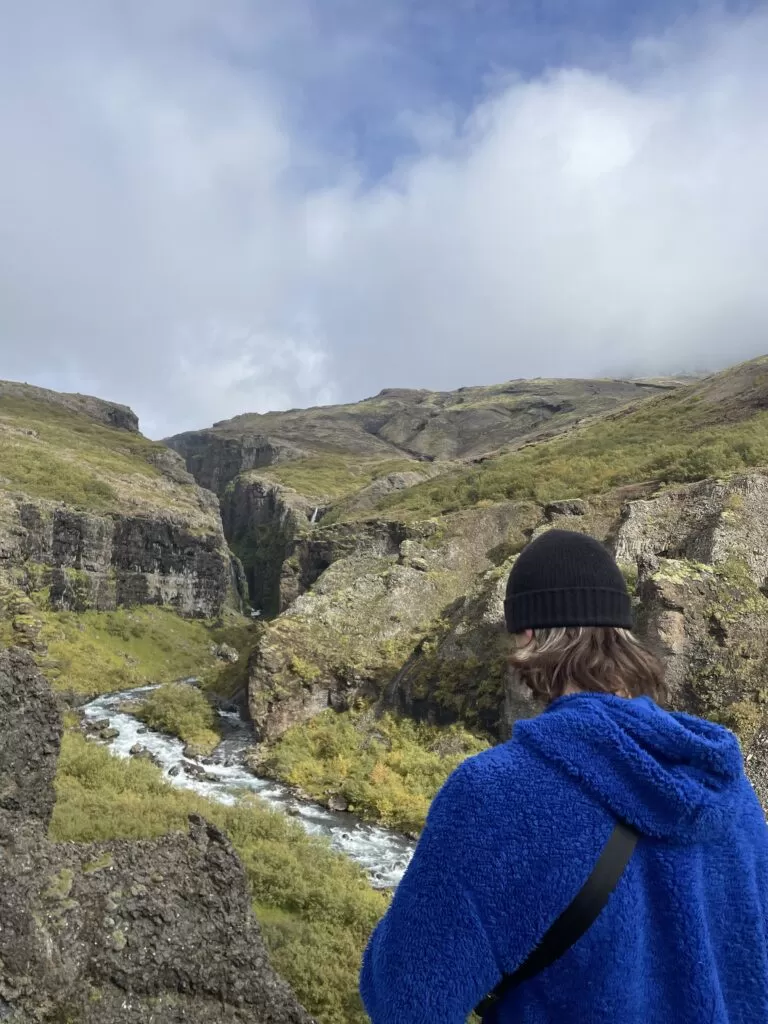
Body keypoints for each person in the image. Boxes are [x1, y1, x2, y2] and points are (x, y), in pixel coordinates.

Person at [359, 529, 768, 1023]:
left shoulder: (496, 792)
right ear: (622, 634)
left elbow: (407, 1001)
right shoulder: (723, 781)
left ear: (529, 635)